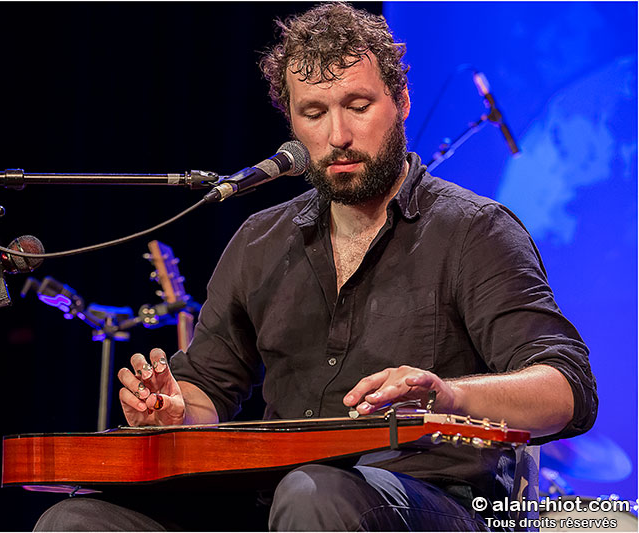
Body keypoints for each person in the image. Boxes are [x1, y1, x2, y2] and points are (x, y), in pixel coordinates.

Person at [35, 3, 597, 531]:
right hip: (280, 494)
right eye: (314, 113)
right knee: (77, 519)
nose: (338, 136)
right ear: (293, 124)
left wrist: (446, 396)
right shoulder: (261, 240)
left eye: (358, 106)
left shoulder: (474, 230)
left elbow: (565, 390)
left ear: (401, 101)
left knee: (312, 493)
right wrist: (175, 410)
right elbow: (207, 385)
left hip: (433, 500)